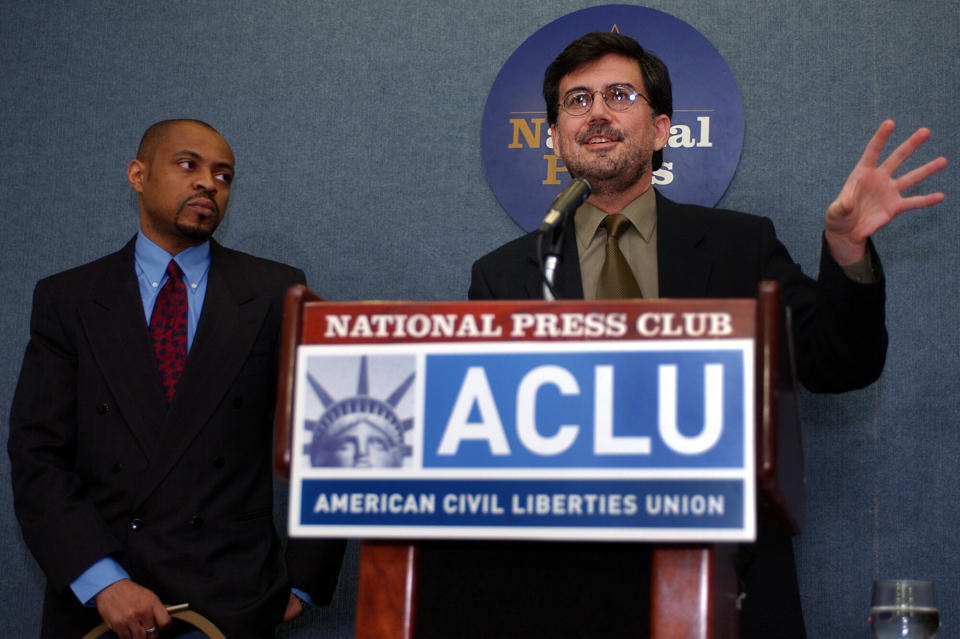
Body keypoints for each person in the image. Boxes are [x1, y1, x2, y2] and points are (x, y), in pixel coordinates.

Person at [460, 32, 947, 639]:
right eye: (576, 101)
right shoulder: (505, 274)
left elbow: (838, 363)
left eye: (619, 95)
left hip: (727, 585)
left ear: (662, 130)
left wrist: (847, 251)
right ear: (555, 137)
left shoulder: (739, 247)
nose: (598, 114)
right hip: (559, 590)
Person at [8, 120, 345, 639]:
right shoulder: (69, 298)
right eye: (188, 165)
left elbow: (327, 442)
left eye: (224, 175)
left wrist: (303, 581)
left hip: (233, 597)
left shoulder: (276, 289)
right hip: (102, 603)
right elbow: (38, 454)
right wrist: (102, 581)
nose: (209, 183)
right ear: (137, 175)